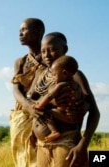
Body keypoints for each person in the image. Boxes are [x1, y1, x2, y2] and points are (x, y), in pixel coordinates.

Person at [28, 33, 100, 167]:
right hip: (42, 145)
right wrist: (33, 130)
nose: (46, 55)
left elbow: (94, 112)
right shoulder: (42, 74)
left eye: (52, 49)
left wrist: (82, 145)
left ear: (64, 50)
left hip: (65, 143)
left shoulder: (74, 75)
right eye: (43, 51)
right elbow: (32, 102)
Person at [9, 18, 45, 167]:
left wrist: (34, 108)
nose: (20, 33)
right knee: (22, 158)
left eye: (24, 30)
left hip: (41, 114)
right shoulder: (20, 62)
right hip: (21, 114)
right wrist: (27, 105)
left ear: (37, 32)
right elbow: (16, 89)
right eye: (20, 30)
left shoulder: (50, 57)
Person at [29, 55, 85, 142]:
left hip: (63, 115)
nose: (53, 78)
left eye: (54, 75)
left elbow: (49, 96)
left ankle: (54, 131)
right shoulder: (77, 86)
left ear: (65, 73)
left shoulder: (60, 86)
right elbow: (82, 99)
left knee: (47, 113)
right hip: (73, 118)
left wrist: (40, 105)